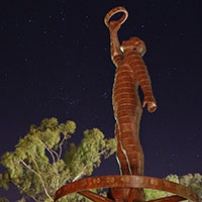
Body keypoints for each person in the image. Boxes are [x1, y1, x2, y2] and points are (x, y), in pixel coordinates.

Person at [108, 20, 157, 201]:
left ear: (137, 46)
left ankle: (135, 182)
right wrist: (113, 32)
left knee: (129, 139)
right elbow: (114, 54)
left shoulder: (134, 57)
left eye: (130, 39)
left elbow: (142, 75)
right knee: (120, 143)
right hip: (119, 105)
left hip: (129, 102)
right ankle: (127, 179)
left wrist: (149, 96)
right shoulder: (123, 60)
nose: (126, 40)